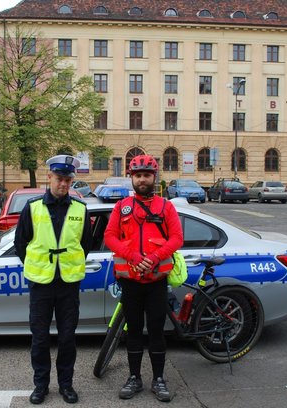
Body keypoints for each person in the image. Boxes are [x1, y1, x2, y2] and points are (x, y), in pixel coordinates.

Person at [104, 155, 183, 402]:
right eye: (137, 175)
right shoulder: (121, 207)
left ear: (153, 177)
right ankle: (134, 378)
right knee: (134, 331)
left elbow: (177, 238)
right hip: (130, 282)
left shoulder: (166, 207)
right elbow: (110, 237)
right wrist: (134, 256)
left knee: (157, 331)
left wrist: (155, 256)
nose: (142, 179)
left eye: (146, 175)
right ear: (132, 178)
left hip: (156, 282)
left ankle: (159, 379)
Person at [14, 154, 92, 405]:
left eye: (68, 180)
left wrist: (65, 263)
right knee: (40, 338)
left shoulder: (80, 209)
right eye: (60, 179)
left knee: (68, 337)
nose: (64, 184)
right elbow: (20, 244)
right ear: (49, 177)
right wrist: (40, 265)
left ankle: (66, 385)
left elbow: (85, 244)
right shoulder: (33, 207)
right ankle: (41, 385)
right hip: (41, 284)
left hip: (68, 284)